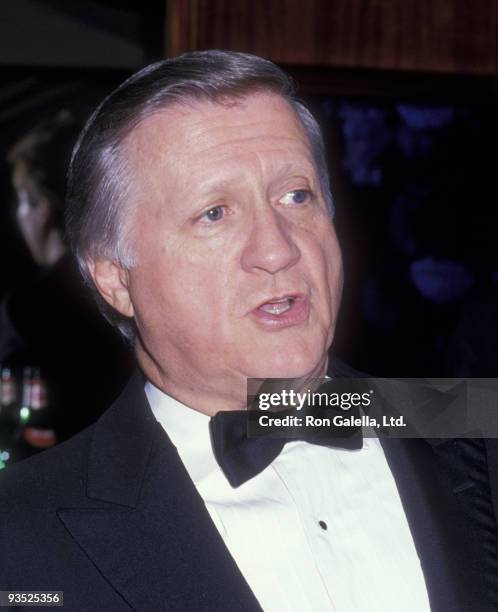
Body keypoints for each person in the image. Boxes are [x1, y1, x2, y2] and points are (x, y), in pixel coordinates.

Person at [0, 51, 495, 611]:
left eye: (296, 196)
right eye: (215, 213)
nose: (278, 249)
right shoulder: (18, 541)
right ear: (115, 278)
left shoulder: (477, 428)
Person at [0, 112, 133, 450]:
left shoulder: (29, 307)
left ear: (42, 208)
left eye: (24, 200)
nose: (21, 215)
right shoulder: (129, 283)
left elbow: (16, 420)